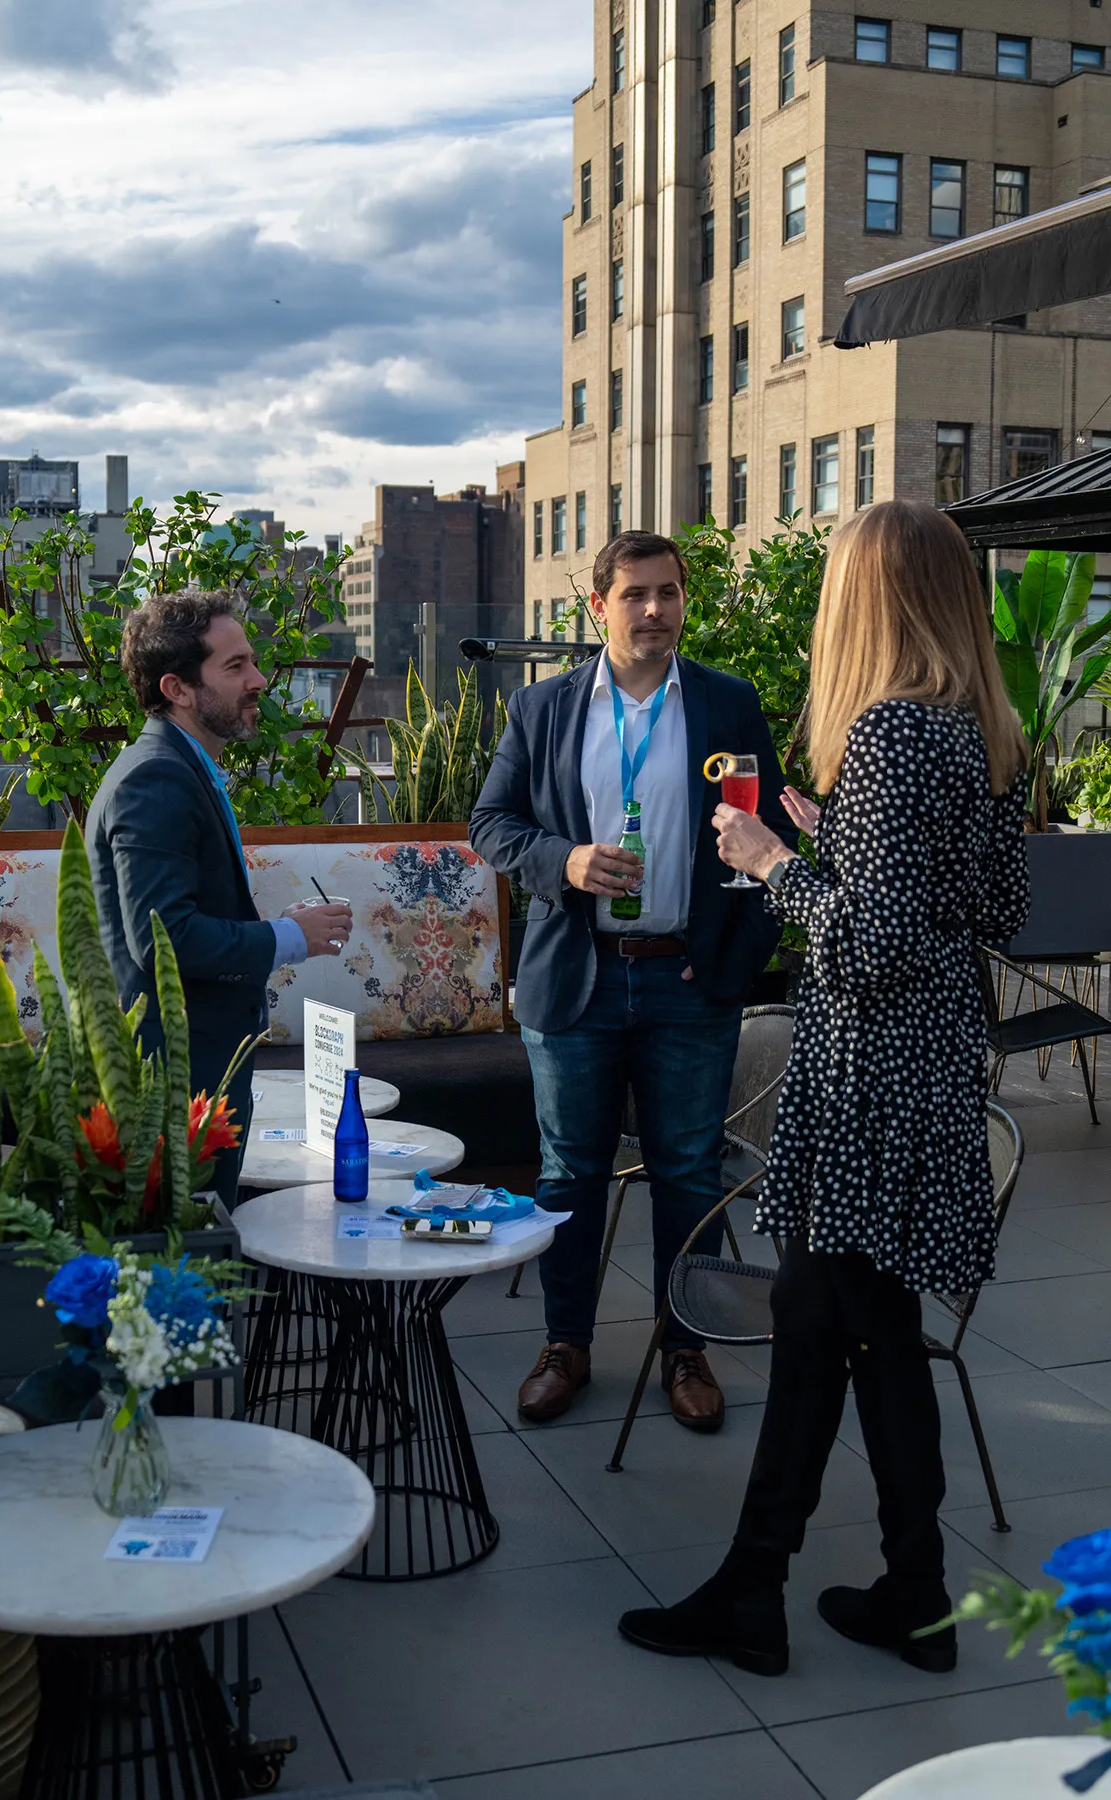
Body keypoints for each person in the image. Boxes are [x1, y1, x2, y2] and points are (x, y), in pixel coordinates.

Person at [618, 499, 1030, 1677]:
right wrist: (836, 841)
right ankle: (908, 1595)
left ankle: (766, 1595)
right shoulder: (981, 731)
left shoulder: (895, 733)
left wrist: (776, 863)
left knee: (831, 1322)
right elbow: (992, 912)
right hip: (937, 1060)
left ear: (870, 598)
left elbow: (869, 948)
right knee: (863, 1329)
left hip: (871, 1075)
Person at [470, 530, 793, 1430]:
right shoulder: (543, 710)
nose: (655, 611)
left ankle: (684, 1346)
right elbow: (490, 823)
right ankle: (565, 1343)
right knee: (571, 1171)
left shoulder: (729, 705)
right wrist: (563, 860)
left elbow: (771, 840)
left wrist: (732, 961)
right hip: (577, 977)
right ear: (597, 607)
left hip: (688, 979)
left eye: (669, 593)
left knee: (689, 1171)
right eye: (635, 595)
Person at [86, 588, 353, 1204]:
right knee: (188, 1270)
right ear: (177, 688)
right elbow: (166, 941)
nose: (258, 679)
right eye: (235, 667)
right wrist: (290, 939)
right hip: (171, 1081)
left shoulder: (185, 766)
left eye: (251, 661)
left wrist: (280, 926)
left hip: (197, 1070)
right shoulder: (156, 778)